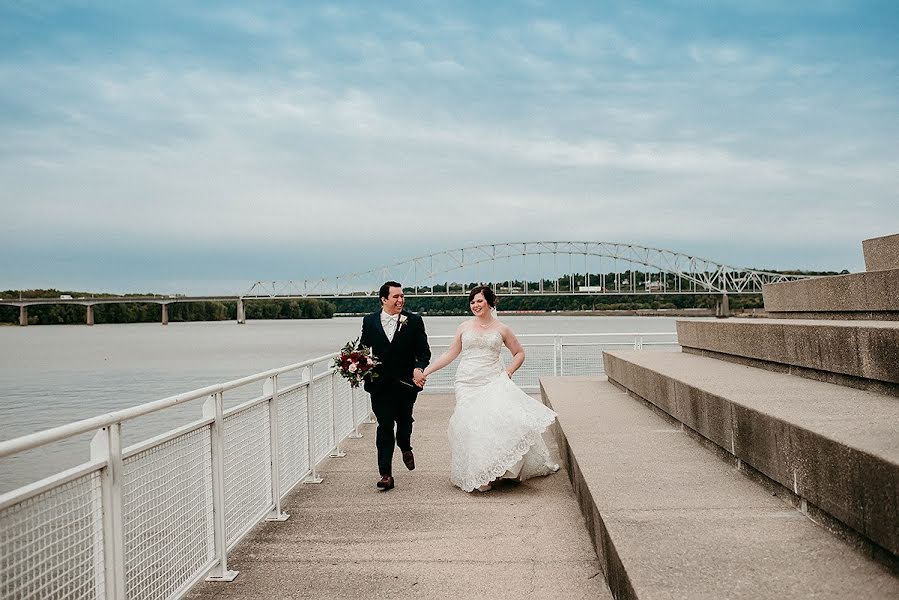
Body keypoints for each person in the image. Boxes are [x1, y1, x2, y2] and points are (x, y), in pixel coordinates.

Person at [421, 286, 559, 492]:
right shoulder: (464, 327)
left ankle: (495, 470)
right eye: (472, 302)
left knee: (495, 424)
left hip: (493, 380)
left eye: (479, 301)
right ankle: (479, 472)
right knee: (471, 425)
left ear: (490, 302)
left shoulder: (502, 329)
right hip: (466, 382)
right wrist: (426, 371)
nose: (475, 305)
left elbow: (519, 353)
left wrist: (508, 372)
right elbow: (449, 354)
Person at [359, 281, 431, 491]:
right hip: (379, 385)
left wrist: (419, 368)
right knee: (384, 427)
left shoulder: (414, 321)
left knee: (404, 422)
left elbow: (423, 352)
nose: (400, 300)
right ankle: (386, 474)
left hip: (405, 384)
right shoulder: (370, 321)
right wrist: (355, 363)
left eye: (402, 296)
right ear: (383, 299)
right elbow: (364, 348)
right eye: (396, 297)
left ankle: (405, 446)